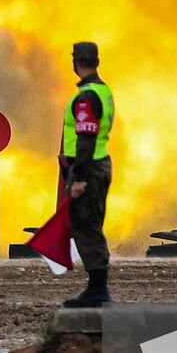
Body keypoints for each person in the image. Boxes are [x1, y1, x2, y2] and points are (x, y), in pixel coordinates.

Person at [61, 41, 115, 308]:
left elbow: (85, 137)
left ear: (76, 62)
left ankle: (97, 291)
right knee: (90, 225)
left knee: (87, 227)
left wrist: (79, 177)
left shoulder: (86, 97)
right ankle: (97, 289)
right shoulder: (102, 91)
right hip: (98, 165)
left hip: (89, 169)